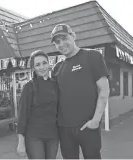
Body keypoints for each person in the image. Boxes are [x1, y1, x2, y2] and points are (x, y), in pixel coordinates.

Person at [51, 24, 110, 159]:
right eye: (57, 42)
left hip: (88, 126)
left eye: (64, 38)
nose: (61, 44)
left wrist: (96, 120)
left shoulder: (92, 56)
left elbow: (104, 89)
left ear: (73, 36)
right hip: (64, 128)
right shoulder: (57, 68)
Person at [16, 50, 59, 159]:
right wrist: (21, 143)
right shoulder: (28, 87)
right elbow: (22, 116)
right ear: (33, 68)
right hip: (34, 137)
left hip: (53, 136)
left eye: (44, 63)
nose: (42, 67)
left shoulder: (55, 85)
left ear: (49, 64)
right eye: (38, 65)